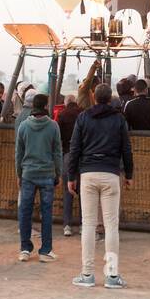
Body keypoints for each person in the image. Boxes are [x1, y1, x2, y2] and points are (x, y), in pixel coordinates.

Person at [69, 82, 133, 289]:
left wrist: (72, 176)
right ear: (110, 98)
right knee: (111, 225)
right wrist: (129, 173)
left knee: (88, 224)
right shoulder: (118, 119)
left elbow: (75, 148)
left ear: (94, 98)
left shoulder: (83, 117)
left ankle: (87, 273)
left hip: (88, 173)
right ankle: (112, 275)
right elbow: (126, 149)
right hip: (111, 173)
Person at [15, 93, 62, 262]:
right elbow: (57, 153)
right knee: (46, 213)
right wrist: (58, 173)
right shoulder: (53, 126)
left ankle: (25, 248)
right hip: (47, 174)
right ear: (46, 106)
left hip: (28, 174)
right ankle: (45, 250)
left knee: (25, 211)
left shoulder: (23, 126)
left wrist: (19, 174)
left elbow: (18, 154)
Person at [56, 92, 82, 235]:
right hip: (82, 156)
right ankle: (84, 224)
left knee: (68, 192)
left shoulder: (62, 115)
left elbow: (58, 137)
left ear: (65, 103)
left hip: (67, 154)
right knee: (83, 191)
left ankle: (67, 226)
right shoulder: (83, 114)